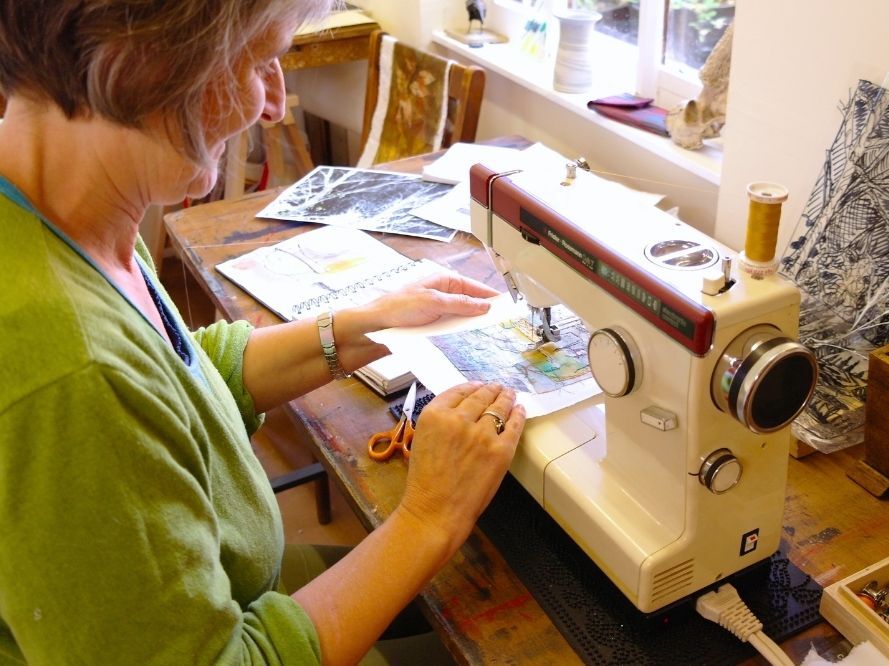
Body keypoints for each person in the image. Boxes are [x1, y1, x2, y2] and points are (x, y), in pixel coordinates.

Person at [0, 1, 526, 663]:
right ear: (141, 62)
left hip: (234, 577)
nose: (273, 103)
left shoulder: (54, 205)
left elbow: (177, 374)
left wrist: (368, 322)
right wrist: (429, 517)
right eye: (259, 61)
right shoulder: (67, 374)